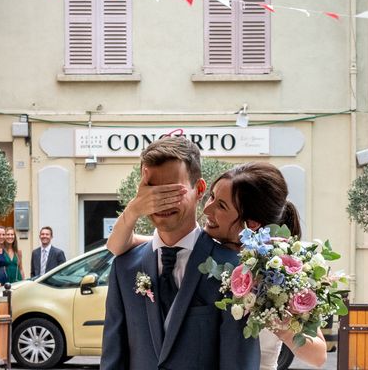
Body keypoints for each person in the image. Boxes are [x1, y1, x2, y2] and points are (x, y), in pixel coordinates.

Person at [107, 161, 327, 369]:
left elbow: (319, 356)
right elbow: (118, 245)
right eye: (211, 197)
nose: (207, 210)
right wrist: (136, 208)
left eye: (220, 206)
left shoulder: (276, 272)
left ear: (251, 223)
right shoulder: (205, 251)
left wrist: (275, 318)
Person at [101, 137, 260, 370]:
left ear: (200, 189)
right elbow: (113, 358)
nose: (162, 202)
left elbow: (238, 362)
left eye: (173, 191)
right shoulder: (124, 268)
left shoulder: (235, 270)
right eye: (154, 192)